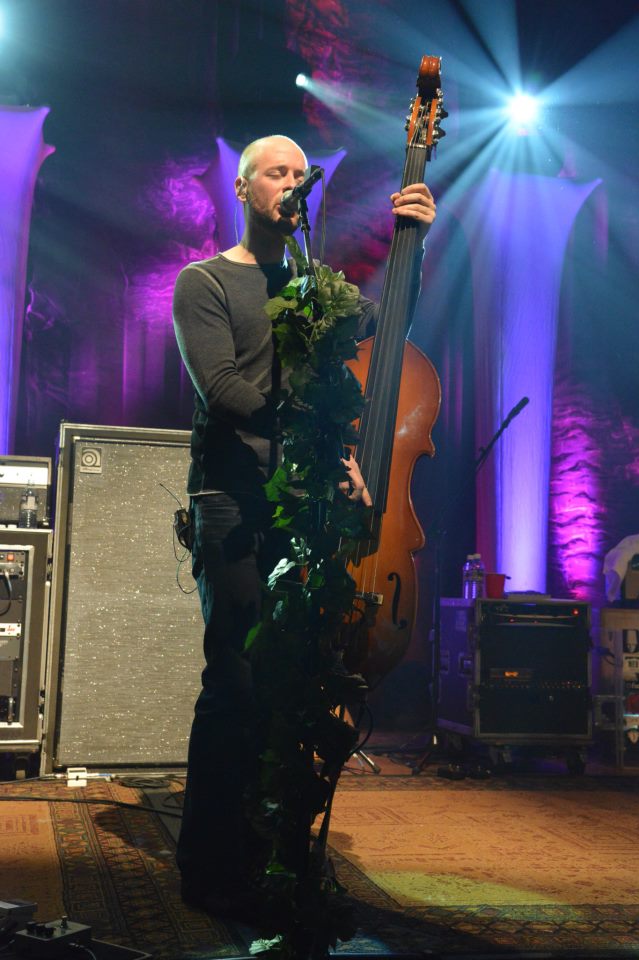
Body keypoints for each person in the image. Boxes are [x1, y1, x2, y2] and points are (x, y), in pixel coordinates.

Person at [172, 134, 436, 920]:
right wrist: (322, 437)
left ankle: (271, 855)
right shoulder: (205, 282)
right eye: (275, 173)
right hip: (232, 502)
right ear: (244, 188)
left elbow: (388, 327)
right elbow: (224, 390)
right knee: (236, 679)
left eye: (299, 173)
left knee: (291, 683)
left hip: (300, 504)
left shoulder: (319, 291)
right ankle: (209, 867)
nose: (291, 183)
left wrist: (412, 242)